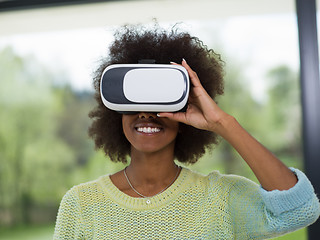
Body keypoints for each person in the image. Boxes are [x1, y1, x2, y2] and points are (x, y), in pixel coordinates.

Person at [53, 24, 320, 239]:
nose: (146, 112)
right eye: (135, 98)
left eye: (160, 97)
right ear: (115, 109)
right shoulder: (80, 204)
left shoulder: (220, 198)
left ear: (186, 106)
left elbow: (300, 209)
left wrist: (222, 123)